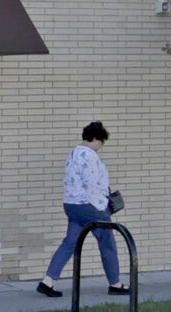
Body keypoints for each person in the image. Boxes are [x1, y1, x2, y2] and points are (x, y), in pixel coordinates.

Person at [35, 122, 127, 297]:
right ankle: (115, 283)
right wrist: (104, 206)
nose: (101, 146)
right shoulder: (89, 155)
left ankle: (48, 281)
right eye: (101, 142)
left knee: (70, 242)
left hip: (71, 205)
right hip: (89, 206)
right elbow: (92, 185)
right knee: (107, 242)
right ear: (94, 139)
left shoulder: (73, 153)